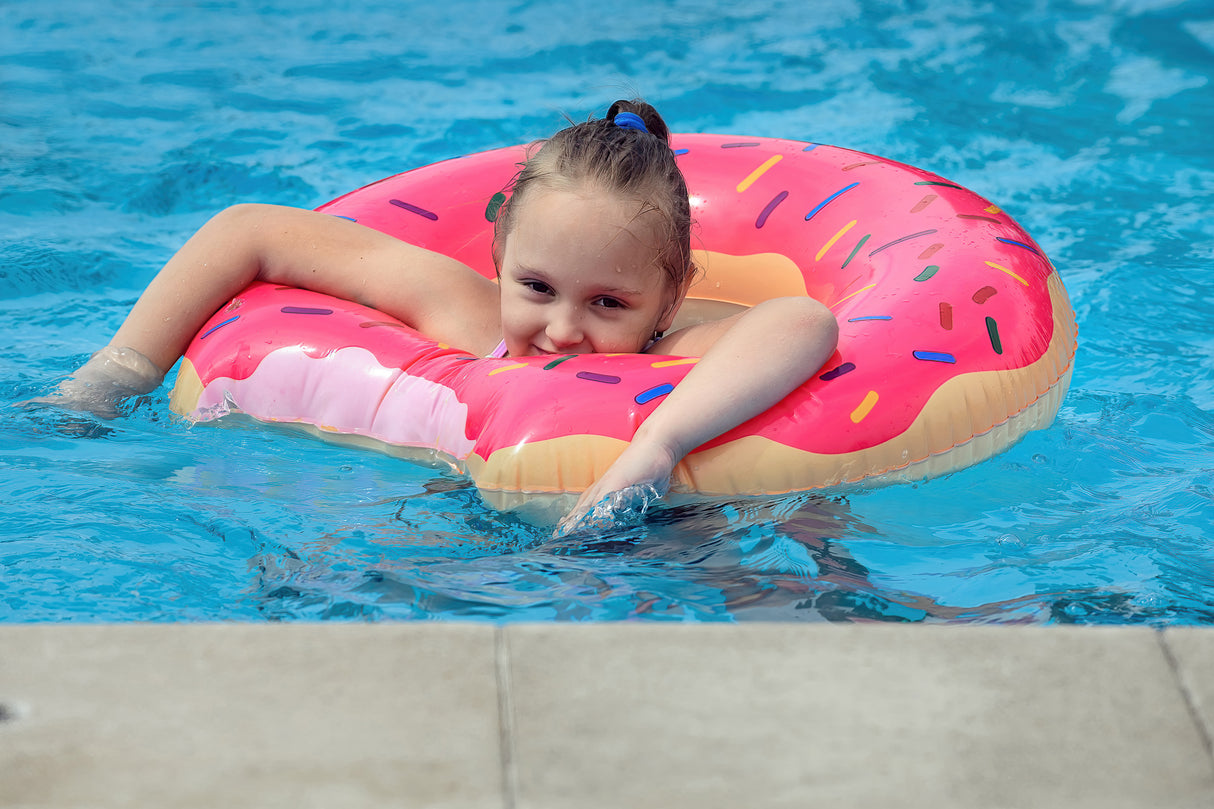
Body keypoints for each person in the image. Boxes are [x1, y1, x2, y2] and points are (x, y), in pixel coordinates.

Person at [34, 99, 840, 532]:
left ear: (668, 297)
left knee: (799, 535)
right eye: (536, 287)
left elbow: (805, 322)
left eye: (607, 303)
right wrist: (118, 372)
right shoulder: (471, 315)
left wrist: (656, 447)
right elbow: (249, 229)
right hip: (479, 524)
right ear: (497, 258)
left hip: (674, 523)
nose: (561, 328)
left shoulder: (683, 342)